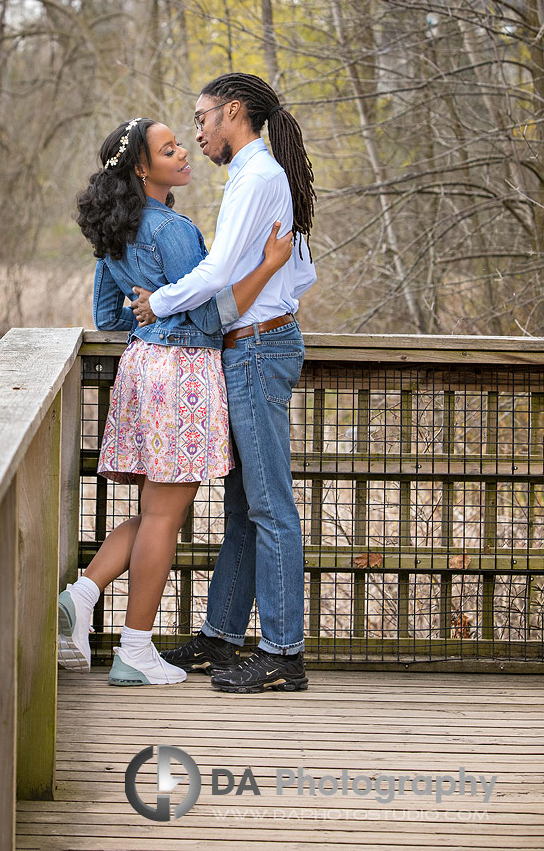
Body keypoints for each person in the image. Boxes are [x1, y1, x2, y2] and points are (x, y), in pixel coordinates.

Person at [59, 115, 294, 686]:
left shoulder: (115, 234)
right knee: (165, 516)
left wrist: (153, 306)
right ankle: (134, 649)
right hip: (184, 373)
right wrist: (268, 265)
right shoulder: (172, 229)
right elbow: (211, 314)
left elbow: (110, 318)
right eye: (169, 149)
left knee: (154, 513)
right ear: (143, 167)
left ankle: (82, 594)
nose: (184, 152)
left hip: (142, 371)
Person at [131, 73, 317, 694]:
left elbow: (215, 270)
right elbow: (290, 268)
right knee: (243, 504)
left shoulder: (258, 178)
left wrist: (159, 302)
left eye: (204, 117)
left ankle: (284, 652)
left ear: (233, 112)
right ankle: (221, 636)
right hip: (249, 347)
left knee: (269, 506)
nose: (199, 130)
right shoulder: (253, 179)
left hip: (259, 350)